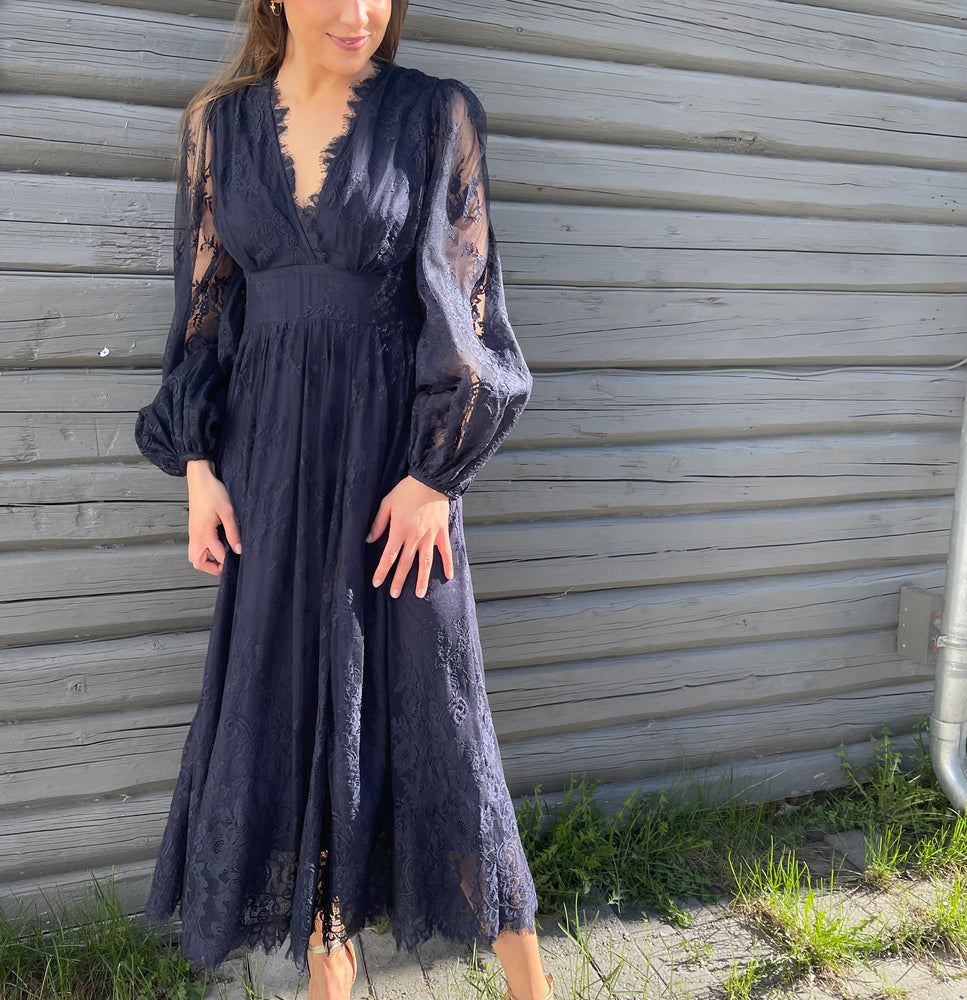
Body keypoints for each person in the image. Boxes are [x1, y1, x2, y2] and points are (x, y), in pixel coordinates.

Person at [132, 2, 555, 999]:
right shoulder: (218, 126)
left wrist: (435, 476)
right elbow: (203, 311)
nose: (359, 12)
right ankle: (331, 977)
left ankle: (532, 987)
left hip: (395, 477)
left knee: (442, 723)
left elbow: (472, 306)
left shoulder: (434, 114)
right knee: (291, 714)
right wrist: (198, 467)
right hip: (267, 472)